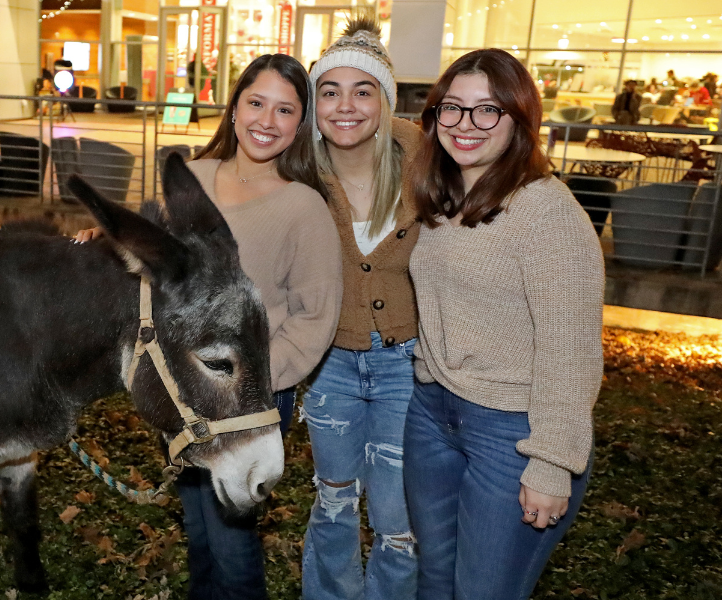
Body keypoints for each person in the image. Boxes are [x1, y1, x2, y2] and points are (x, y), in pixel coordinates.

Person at [75, 53, 344, 600]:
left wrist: (253, 383)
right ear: (235, 107)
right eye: (256, 103)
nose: (266, 120)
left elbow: (315, 317)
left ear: (301, 124)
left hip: (248, 394)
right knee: (198, 527)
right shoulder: (193, 179)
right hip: (190, 385)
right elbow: (158, 263)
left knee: (232, 539)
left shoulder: (303, 207)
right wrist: (102, 240)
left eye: (285, 110)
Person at [404, 48, 604, 600]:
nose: (466, 125)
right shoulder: (443, 198)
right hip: (432, 414)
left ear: (520, 119)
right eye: (453, 108)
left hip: (512, 433)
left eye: (487, 110)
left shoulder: (547, 213)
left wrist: (552, 461)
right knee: (434, 582)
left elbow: (572, 353)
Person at [299, 17, 422, 600]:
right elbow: (221, 188)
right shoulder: (296, 173)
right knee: (335, 501)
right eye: (330, 91)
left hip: (410, 367)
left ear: (386, 102)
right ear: (314, 104)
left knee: (399, 524)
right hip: (331, 366)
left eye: (363, 90)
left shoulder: (425, 165)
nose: (345, 106)